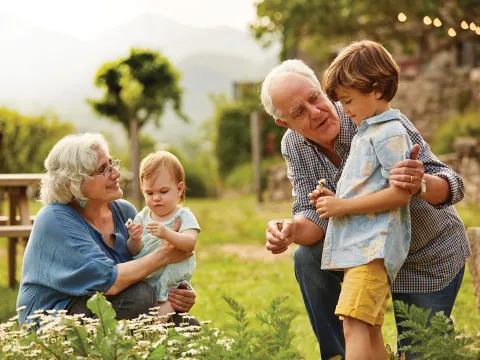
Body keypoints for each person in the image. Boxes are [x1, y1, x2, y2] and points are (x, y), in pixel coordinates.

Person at [260, 56, 470, 359]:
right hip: (366, 256)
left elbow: (452, 183)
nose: (316, 112)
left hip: (424, 254)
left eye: (314, 98)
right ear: (284, 123)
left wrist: (419, 181)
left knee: (424, 352)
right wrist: (291, 229)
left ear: (321, 88)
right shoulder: (293, 145)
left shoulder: (371, 114)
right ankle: (339, 355)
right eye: (298, 112)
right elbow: (313, 215)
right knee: (307, 258)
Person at [17, 133, 197, 325]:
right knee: (140, 297)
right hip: (55, 317)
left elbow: (144, 264)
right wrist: (165, 255)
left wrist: (178, 292)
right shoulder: (54, 218)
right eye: (103, 169)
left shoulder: (124, 211)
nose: (116, 173)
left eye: (112, 164)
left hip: (109, 303)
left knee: (187, 324)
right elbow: (109, 281)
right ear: (73, 183)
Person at [311, 40, 414, 360]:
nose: (343, 108)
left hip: (374, 249)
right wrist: (334, 199)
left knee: (354, 324)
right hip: (362, 248)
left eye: (349, 99)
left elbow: (400, 193)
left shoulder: (390, 132)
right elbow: (369, 189)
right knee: (366, 328)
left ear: (377, 89)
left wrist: (342, 207)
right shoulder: (367, 132)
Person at [126, 151, 200, 323]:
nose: (156, 198)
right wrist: (134, 239)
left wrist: (167, 233)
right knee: (145, 313)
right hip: (148, 277)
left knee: (159, 318)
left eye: (163, 191)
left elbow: (190, 243)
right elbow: (132, 251)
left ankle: (153, 335)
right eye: (149, 193)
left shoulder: (183, 216)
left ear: (179, 189)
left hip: (172, 281)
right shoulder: (142, 216)